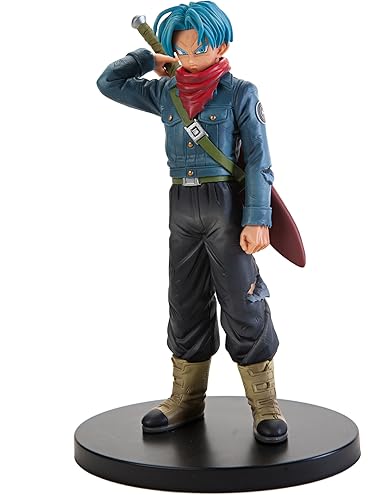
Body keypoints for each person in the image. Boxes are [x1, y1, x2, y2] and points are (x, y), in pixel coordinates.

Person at [97, 1, 287, 444]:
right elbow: (109, 83)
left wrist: (258, 218)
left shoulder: (240, 92)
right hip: (180, 204)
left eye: (198, 49)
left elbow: (259, 160)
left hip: (225, 207)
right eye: (180, 51)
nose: (188, 58)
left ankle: (264, 404)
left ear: (221, 46)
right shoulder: (166, 92)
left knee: (242, 304)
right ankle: (185, 398)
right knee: (184, 302)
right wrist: (147, 58)